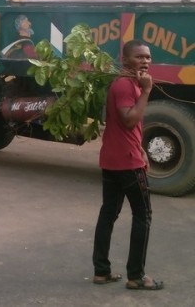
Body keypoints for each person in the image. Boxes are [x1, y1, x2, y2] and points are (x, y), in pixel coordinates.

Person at [92, 40, 163, 290]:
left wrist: (140, 148)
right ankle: (136, 276)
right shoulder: (125, 85)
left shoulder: (127, 82)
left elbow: (125, 129)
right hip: (126, 164)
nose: (145, 61)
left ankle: (101, 271)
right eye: (139, 57)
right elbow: (129, 120)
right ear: (125, 60)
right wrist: (146, 92)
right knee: (143, 215)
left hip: (114, 159)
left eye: (148, 57)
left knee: (108, 214)